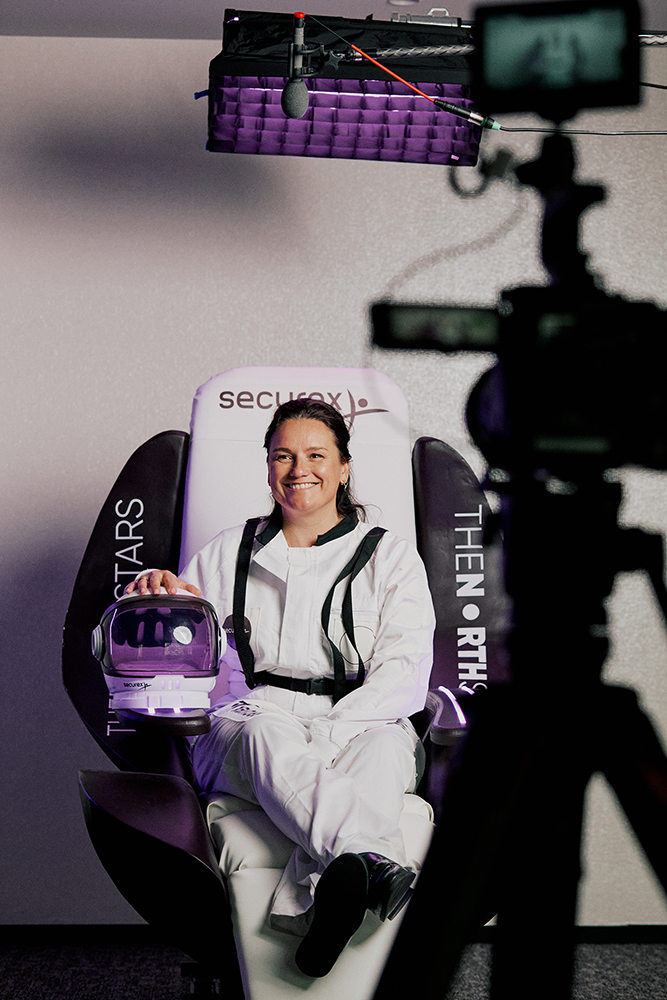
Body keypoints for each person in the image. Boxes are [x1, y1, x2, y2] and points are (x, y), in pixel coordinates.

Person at [126, 398, 436, 977]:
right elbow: (184, 656)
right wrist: (159, 597)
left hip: (363, 718)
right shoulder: (226, 552)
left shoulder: (390, 557)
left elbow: (405, 669)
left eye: (317, 455)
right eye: (283, 456)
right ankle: (373, 861)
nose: (300, 469)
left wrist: (326, 733)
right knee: (268, 733)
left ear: (344, 466)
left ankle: (318, 906)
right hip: (252, 717)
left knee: (388, 750)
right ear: (268, 465)